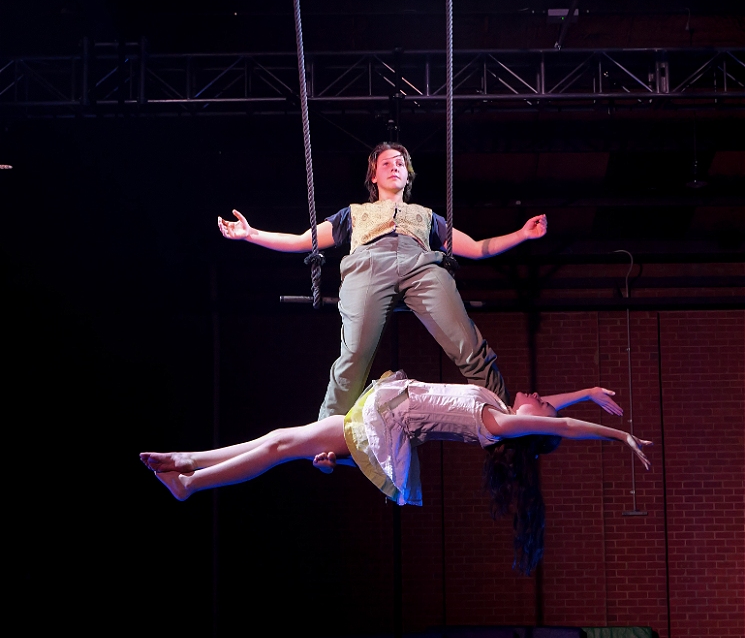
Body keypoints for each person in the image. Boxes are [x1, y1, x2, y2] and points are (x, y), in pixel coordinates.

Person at [140, 373, 650, 572]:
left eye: (540, 405)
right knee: (277, 442)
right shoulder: (496, 403)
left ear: (526, 426)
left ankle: (189, 482)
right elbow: (551, 413)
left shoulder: (495, 421)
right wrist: (585, 391)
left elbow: (559, 426)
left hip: (382, 420)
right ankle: (188, 467)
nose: (539, 396)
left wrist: (620, 436)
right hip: (380, 409)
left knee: (279, 446)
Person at [218, 141, 547, 419]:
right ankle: (328, 432)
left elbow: (475, 248)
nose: (395, 167)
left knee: (469, 344)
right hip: (369, 265)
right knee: (355, 352)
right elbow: (305, 240)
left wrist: (521, 234)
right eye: (386, 163)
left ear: (408, 175)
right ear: (373, 175)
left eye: (401, 163)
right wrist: (251, 234)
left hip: (421, 265)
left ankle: (502, 416)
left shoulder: (426, 216)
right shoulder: (353, 214)